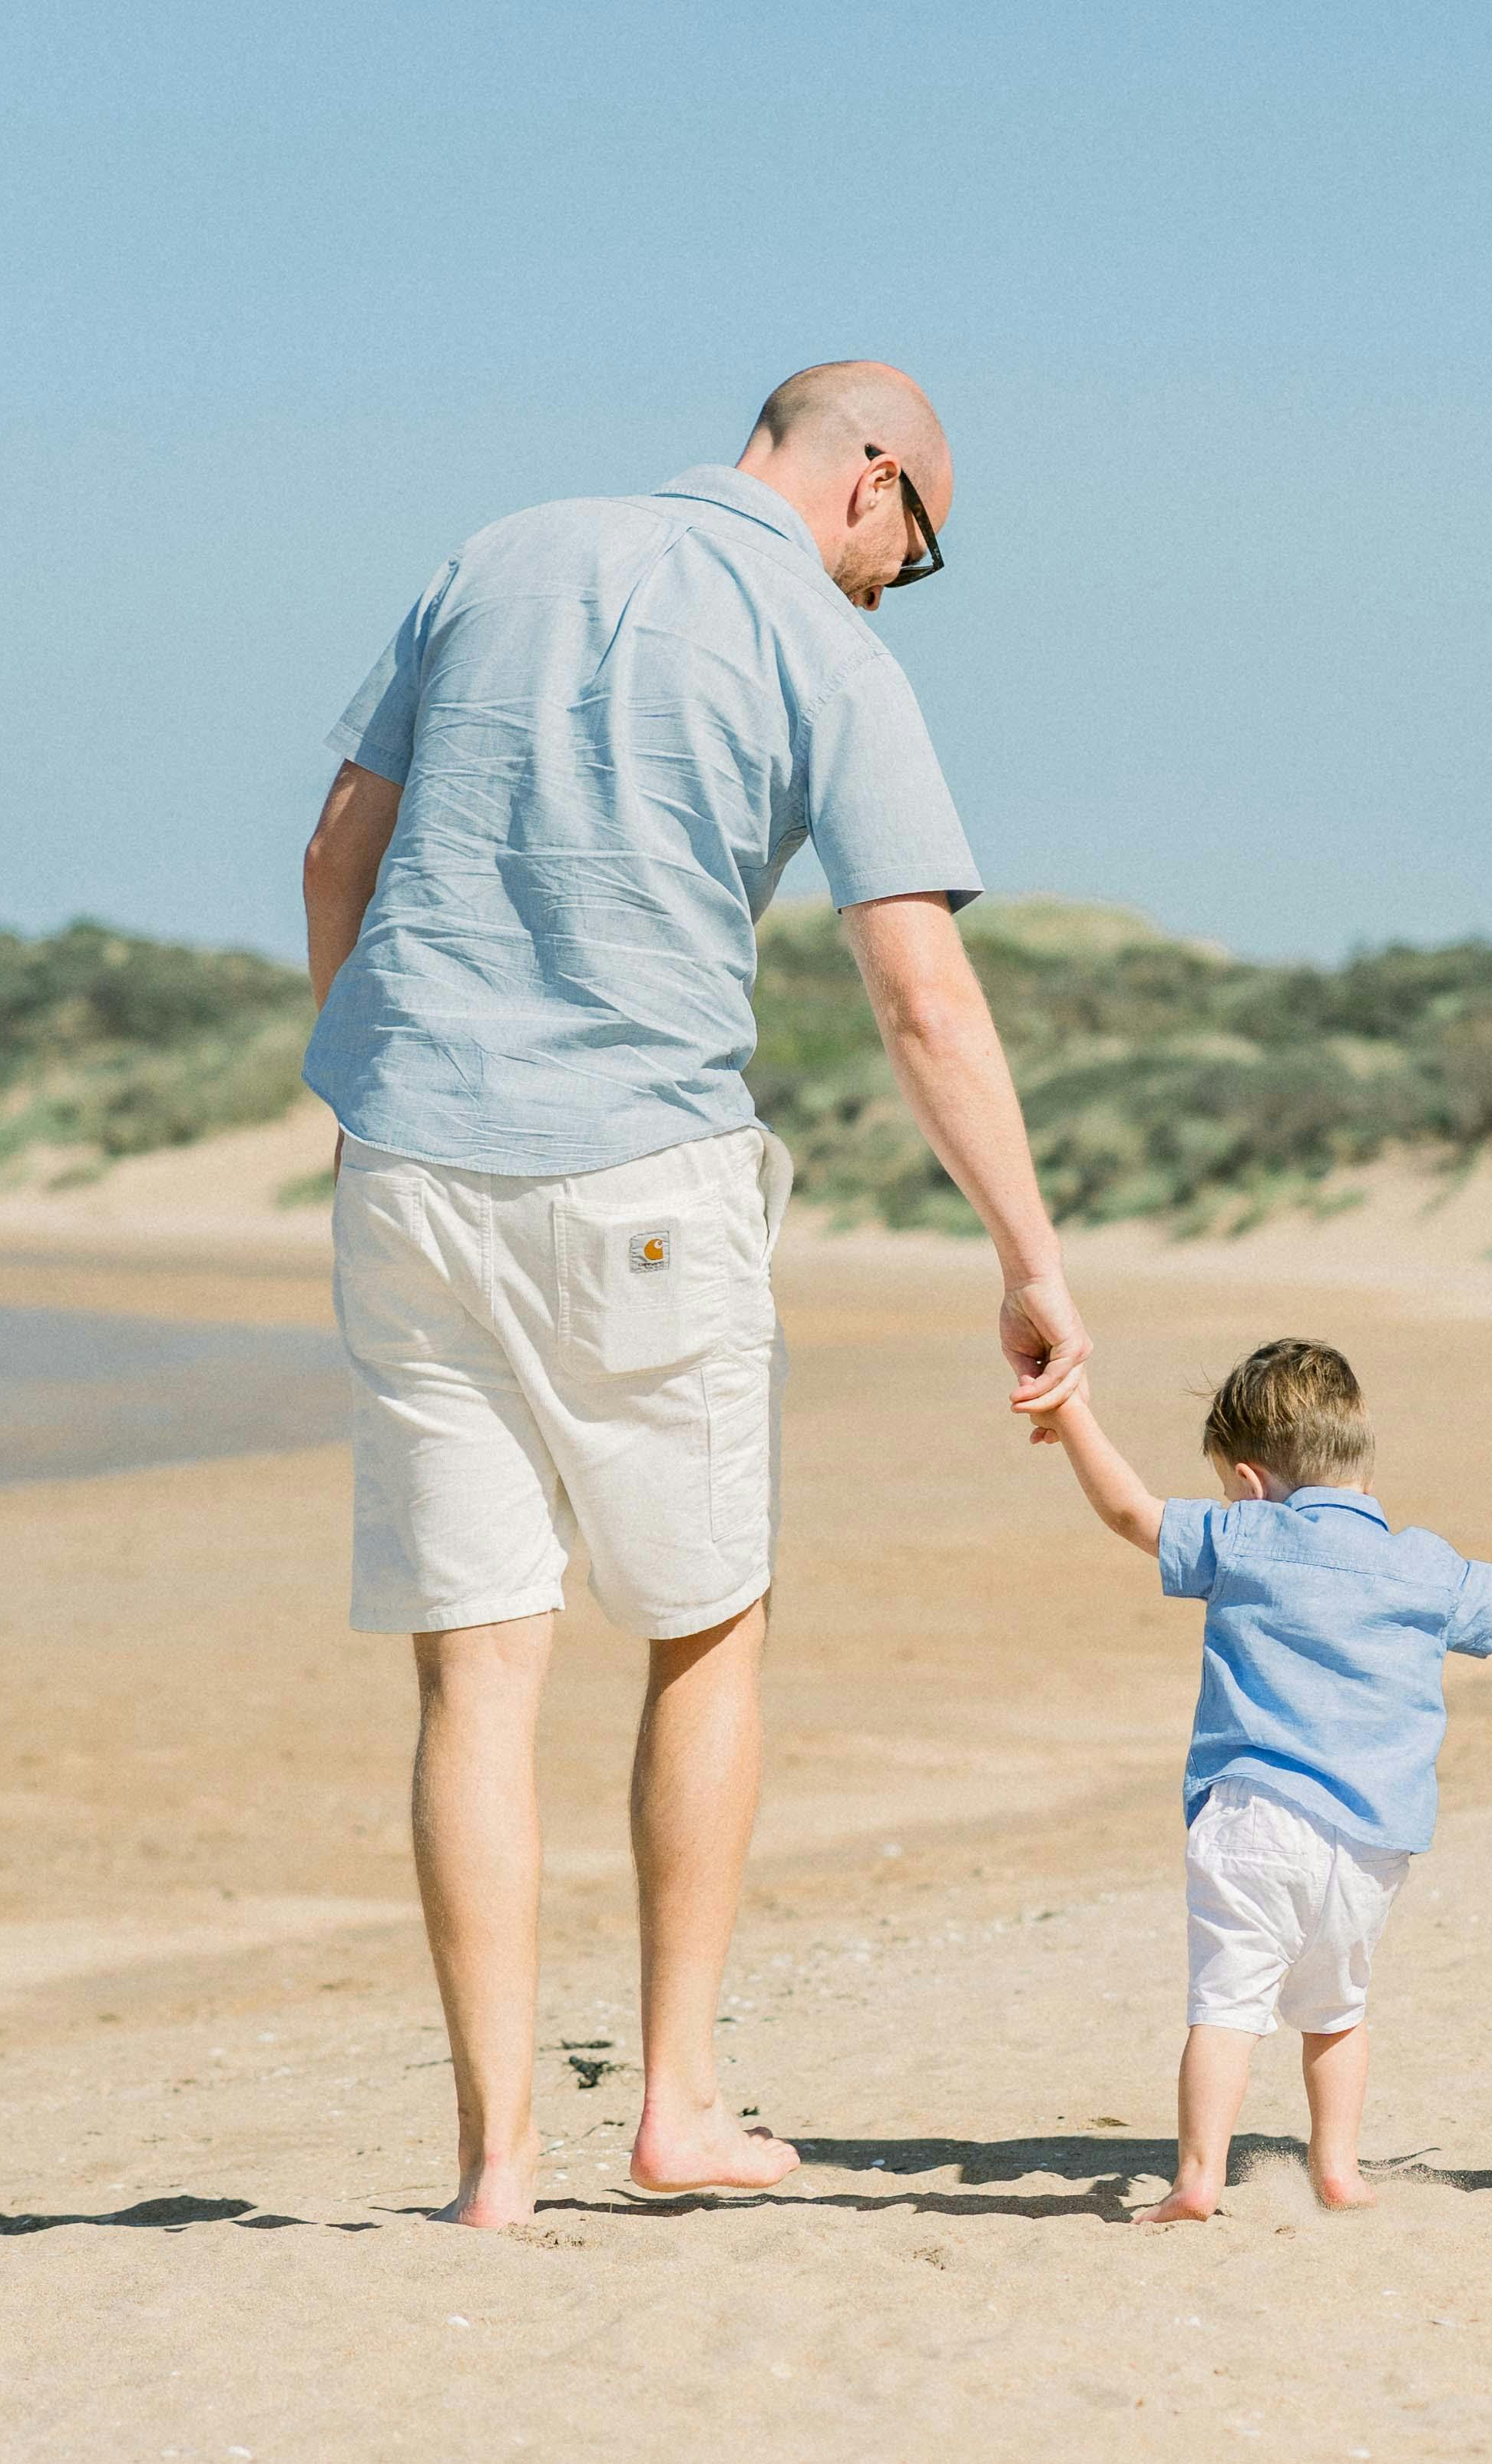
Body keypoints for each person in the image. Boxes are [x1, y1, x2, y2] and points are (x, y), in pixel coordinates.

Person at [298, 361, 1090, 2228]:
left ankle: (492, 2161)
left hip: (409, 1166)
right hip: (640, 1174)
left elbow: (339, 846)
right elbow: (919, 992)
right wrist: (1029, 1257)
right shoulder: (821, 644)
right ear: (869, 480)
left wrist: (358, 1089)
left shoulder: (495, 555)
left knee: (476, 1667)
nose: (902, 576)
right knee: (704, 1620)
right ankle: (676, 2098)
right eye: (921, 543)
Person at [1025, 1340, 1492, 2224]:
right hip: (1373, 1836)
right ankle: (1337, 2167)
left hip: (1255, 1811)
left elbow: (1128, 1512)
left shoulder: (1247, 1533)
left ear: (1252, 1481)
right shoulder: (1423, 1564)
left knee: (1227, 2003)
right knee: (1337, 2009)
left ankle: (1197, 2178)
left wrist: (1068, 1413)